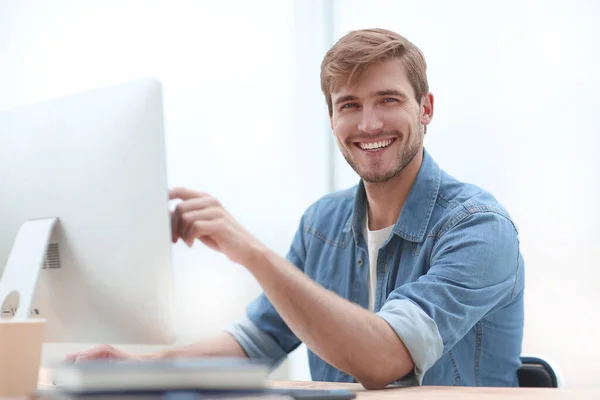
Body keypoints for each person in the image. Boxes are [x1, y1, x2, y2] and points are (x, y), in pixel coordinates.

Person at [66, 28, 525, 389]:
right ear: (331, 118)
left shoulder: (479, 227)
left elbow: (385, 360)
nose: (368, 123)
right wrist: (138, 366)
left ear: (425, 108)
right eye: (349, 105)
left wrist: (250, 252)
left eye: (388, 100)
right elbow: (256, 343)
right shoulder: (320, 224)